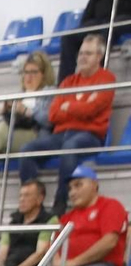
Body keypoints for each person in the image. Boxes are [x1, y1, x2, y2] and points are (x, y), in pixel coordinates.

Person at [22, 34, 117, 214]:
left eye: (88, 53)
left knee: (70, 146)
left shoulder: (107, 79)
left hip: (90, 135)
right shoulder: (68, 82)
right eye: (81, 53)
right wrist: (80, 106)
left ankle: (60, 202)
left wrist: (68, 106)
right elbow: (53, 114)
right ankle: (34, 204)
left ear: (99, 56)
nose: (82, 57)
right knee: (28, 150)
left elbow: (93, 110)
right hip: (61, 134)